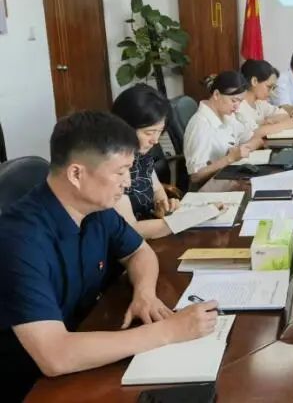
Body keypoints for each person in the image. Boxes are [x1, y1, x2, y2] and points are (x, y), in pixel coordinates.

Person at [0, 111, 218, 402]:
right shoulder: (17, 241)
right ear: (76, 174)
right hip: (33, 383)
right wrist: (168, 331)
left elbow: (140, 252)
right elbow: (55, 356)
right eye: (120, 172)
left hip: (92, 339)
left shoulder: (96, 207)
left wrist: (144, 294)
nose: (127, 183)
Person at [111, 84, 174, 239]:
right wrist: (183, 221)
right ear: (125, 126)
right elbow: (130, 229)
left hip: (152, 237)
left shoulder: (140, 154)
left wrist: (163, 207)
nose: (155, 140)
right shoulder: (110, 164)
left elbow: (157, 190)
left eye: (159, 132)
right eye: (149, 132)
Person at [184, 71, 263, 186]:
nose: (237, 107)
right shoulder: (200, 125)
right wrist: (230, 158)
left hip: (228, 178)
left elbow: (256, 138)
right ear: (216, 94)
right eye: (234, 100)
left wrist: (246, 148)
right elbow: (195, 177)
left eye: (240, 101)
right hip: (209, 188)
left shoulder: (227, 115)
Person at [238, 59, 293, 137]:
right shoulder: (238, 105)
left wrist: (269, 120)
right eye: (269, 87)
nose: (271, 92)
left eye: (273, 88)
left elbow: (285, 114)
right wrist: (284, 125)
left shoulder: (260, 102)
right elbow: (252, 133)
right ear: (254, 81)